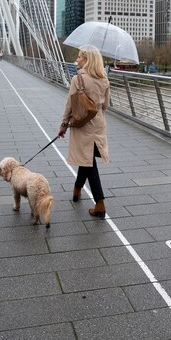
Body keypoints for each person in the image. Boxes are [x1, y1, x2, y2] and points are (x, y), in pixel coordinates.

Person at [58, 46, 110, 218]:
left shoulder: (78, 79)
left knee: (88, 162)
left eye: (80, 57)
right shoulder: (104, 79)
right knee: (86, 158)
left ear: (87, 60)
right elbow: (106, 105)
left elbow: (70, 105)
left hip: (82, 125)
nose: (77, 59)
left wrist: (64, 125)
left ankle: (100, 202)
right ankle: (77, 189)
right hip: (98, 125)